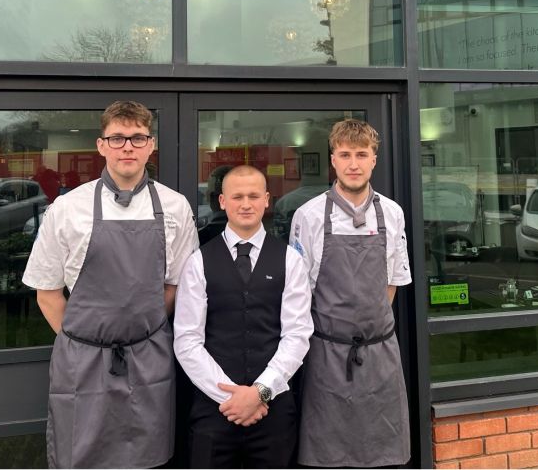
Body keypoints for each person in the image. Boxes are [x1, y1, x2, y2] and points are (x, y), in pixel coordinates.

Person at [22, 101, 198, 469]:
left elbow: (175, 285)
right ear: (101, 145)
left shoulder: (176, 207)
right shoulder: (67, 209)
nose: (127, 147)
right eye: (117, 138)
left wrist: (136, 330)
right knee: (80, 456)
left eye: (137, 138)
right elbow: (47, 293)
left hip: (148, 358)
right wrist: (85, 340)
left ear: (151, 145)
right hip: (82, 362)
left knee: (148, 456)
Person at [290, 119, 412, 468]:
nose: (353, 164)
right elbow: (300, 292)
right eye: (345, 155)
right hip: (326, 354)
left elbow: (391, 281)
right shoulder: (308, 216)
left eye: (362, 154)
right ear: (333, 160)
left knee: (384, 454)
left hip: (379, 353)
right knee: (328, 455)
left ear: (375, 159)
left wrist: (368, 330)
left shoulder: (392, 213)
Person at [174, 165, 313, 468]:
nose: (246, 204)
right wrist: (231, 398)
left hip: (275, 411)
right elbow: (187, 340)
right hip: (214, 412)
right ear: (222, 201)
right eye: (237, 196)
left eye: (253, 196)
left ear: (266, 200)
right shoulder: (198, 262)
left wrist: (261, 392)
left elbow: (298, 334)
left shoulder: (290, 259)